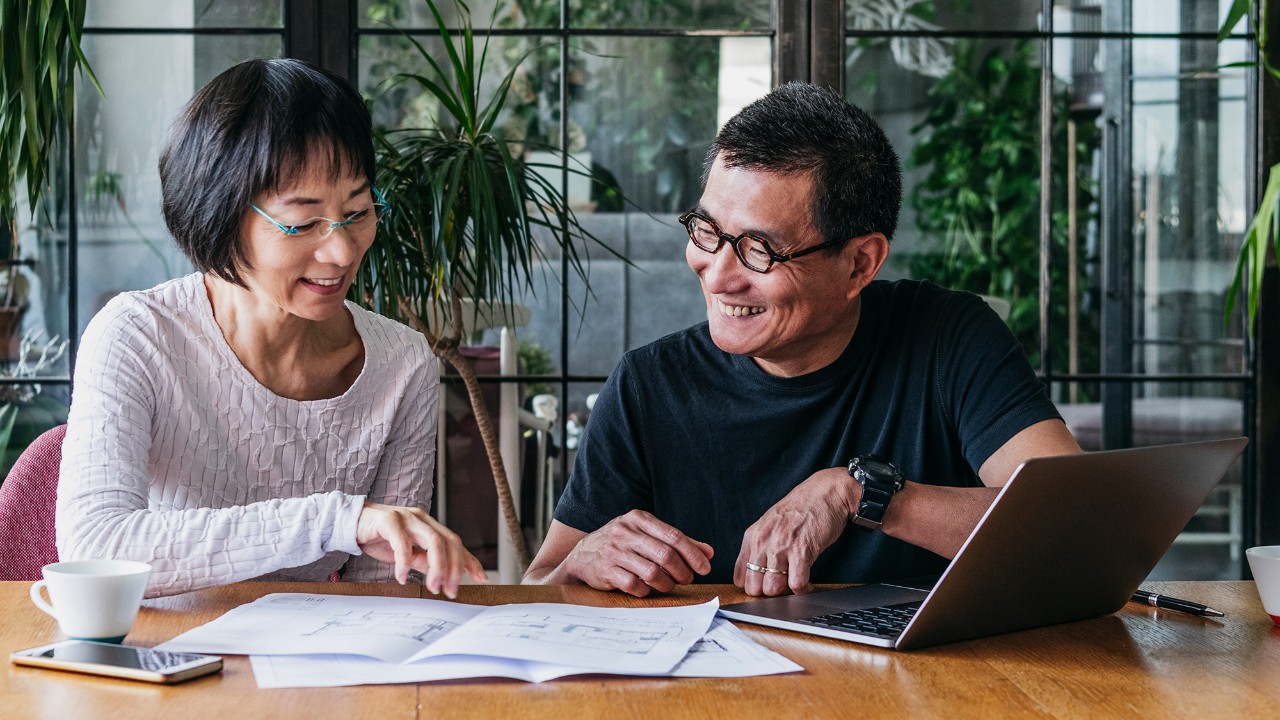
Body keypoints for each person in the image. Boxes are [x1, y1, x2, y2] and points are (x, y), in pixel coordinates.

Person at [525, 82, 1081, 598]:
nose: (717, 275)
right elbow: (537, 587)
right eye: (707, 231)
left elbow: (1073, 525)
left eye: (759, 250)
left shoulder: (948, 337)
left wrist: (861, 494)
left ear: (860, 263)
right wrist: (579, 564)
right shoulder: (648, 385)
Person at [57, 58, 486, 599]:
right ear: (217, 213)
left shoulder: (402, 363)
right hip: (165, 663)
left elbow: (380, 590)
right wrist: (335, 521)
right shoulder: (137, 337)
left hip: (312, 666)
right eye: (302, 223)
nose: (341, 250)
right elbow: (94, 546)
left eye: (357, 211)